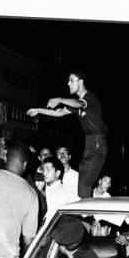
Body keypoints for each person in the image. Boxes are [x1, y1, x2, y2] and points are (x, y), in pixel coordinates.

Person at [27, 70, 108, 198]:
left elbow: (79, 103)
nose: (68, 83)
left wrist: (60, 99)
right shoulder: (78, 103)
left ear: (80, 81)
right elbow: (59, 112)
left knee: (84, 185)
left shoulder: (89, 98)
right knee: (82, 183)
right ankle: (85, 213)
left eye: (71, 80)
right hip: (90, 143)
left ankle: (86, 216)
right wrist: (38, 110)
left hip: (97, 143)